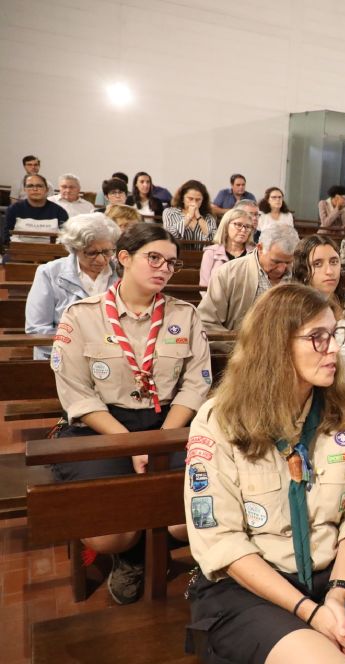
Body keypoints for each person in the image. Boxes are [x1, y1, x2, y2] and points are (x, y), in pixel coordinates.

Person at [184, 284, 345, 664]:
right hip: (250, 587)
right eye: (317, 337)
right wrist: (310, 613)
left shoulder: (344, 413)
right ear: (276, 345)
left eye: (334, 334)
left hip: (335, 575)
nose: (334, 349)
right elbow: (222, 542)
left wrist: (337, 594)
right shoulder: (219, 422)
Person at [51, 222, 211, 604]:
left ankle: (165, 555)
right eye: (153, 257)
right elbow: (76, 393)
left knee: (186, 518)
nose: (163, 268)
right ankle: (131, 554)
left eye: (171, 263)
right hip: (102, 428)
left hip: (168, 424)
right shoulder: (82, 316)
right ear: (123, 258)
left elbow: (196, 384)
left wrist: (158, 441)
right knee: (110, 535)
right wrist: (131, 444)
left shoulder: (185, 315)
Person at [292, 236, 345, 411]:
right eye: (318, 264)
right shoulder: (290, 314)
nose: (329, 271)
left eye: (334, 262)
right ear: (303, 270)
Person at [26, 213, 120, 359]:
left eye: (107, 251)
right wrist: (87, 348)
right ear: (74, 249)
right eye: (91, 253)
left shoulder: (122, 273)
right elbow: (37, 330)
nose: (102, 260)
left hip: (113, 355)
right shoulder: (49, 273)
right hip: (62, 357)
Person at [198, 222, 299, 343]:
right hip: (239, 350)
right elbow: (207, 322)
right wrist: (240, 348)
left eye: (288, 262)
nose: (282, 269)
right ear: (260, 248)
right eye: (275, 262)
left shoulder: (300, 274)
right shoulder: (228, 273)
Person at [4, 174, 68, 244]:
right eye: (30, 186)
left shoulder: (59, 212)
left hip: (51, 253)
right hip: (18, 252)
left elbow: (65, 239)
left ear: (46, 189)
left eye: (39, 186)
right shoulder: (13, 209)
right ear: (25, 190)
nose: (35, 189)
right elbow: (7, 237)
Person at [200, 208, 256, 287]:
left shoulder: (255, 253)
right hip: (215, 298)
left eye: (248, 226)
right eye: (238, 225)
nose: (243, 230)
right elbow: (204, 286)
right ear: (226, 226)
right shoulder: (211, 252)